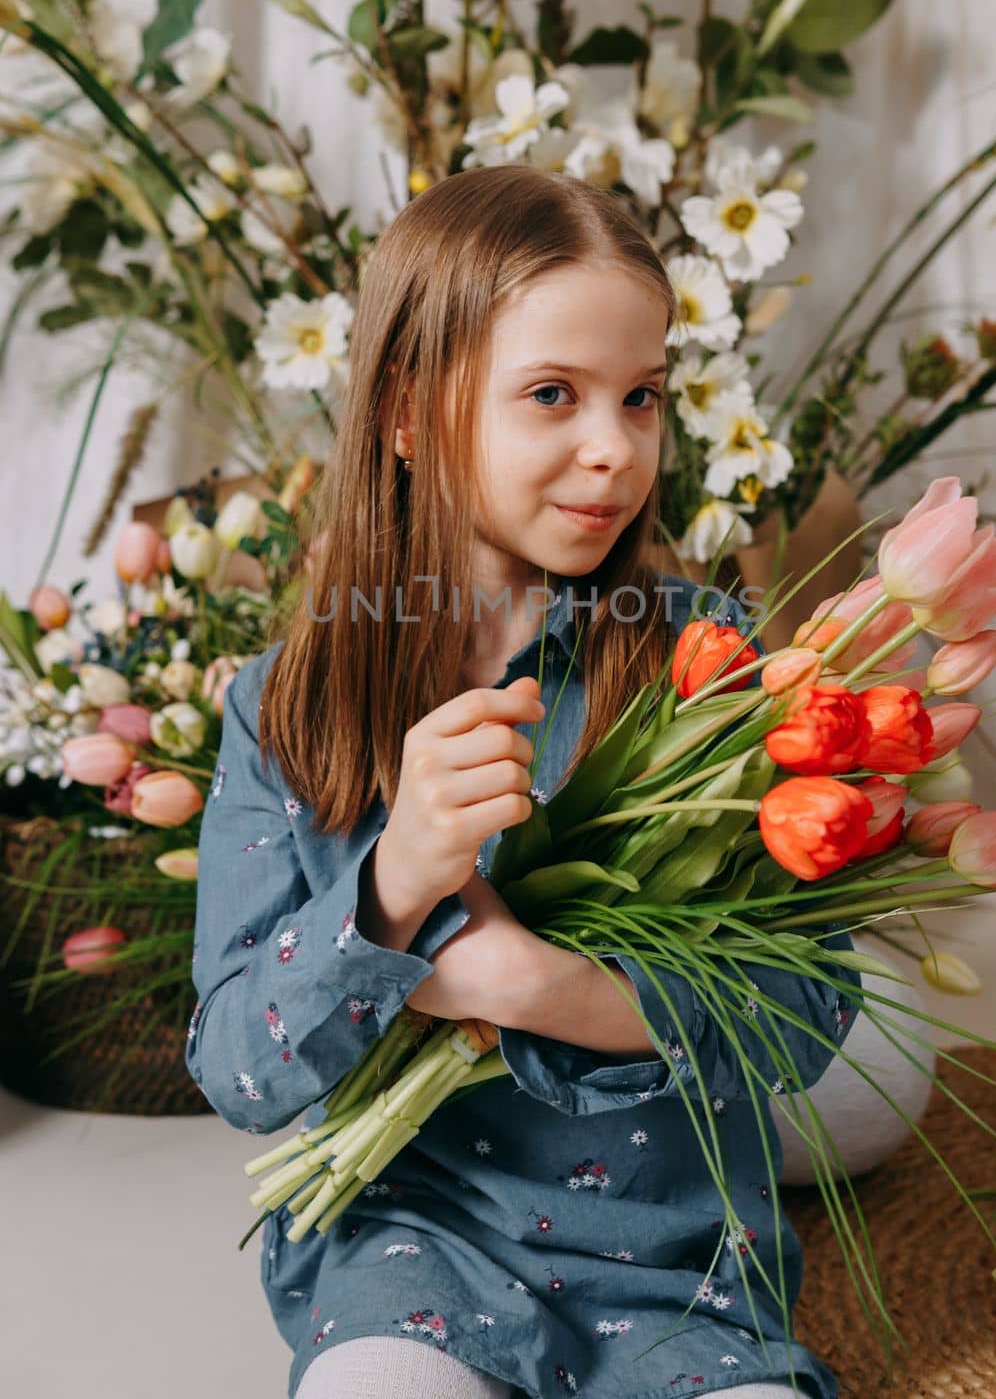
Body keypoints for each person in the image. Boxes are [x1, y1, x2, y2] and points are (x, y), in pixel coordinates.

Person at [186, 166, 861, 1399]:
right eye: (552, 394)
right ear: (404, 412)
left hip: (677, 1264)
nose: (613, 449)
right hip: (414, 1248)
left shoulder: (704, 667)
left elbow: (809, 1008)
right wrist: (393, 884)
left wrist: (547, 986)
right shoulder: (295, 704)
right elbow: (236, 1069)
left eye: (642, 397)